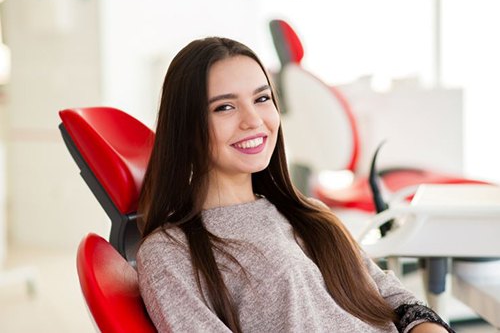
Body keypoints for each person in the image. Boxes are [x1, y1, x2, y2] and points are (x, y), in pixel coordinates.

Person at [137, 37, 454, 333]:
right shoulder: (169, 252)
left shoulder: (310, 214)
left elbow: (394, 298)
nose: (254, 120)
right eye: (225, 107)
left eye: (262, 98)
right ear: (186, 127)